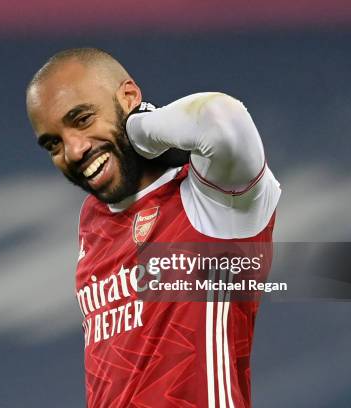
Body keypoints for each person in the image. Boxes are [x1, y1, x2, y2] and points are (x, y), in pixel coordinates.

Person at [26, 47, 281, 408]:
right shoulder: (93, 219)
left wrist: (141, 129)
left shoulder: (216, 200)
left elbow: (221, 120)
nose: (74, 150)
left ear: (128, 97)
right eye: (54, 143)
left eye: (82, 119)